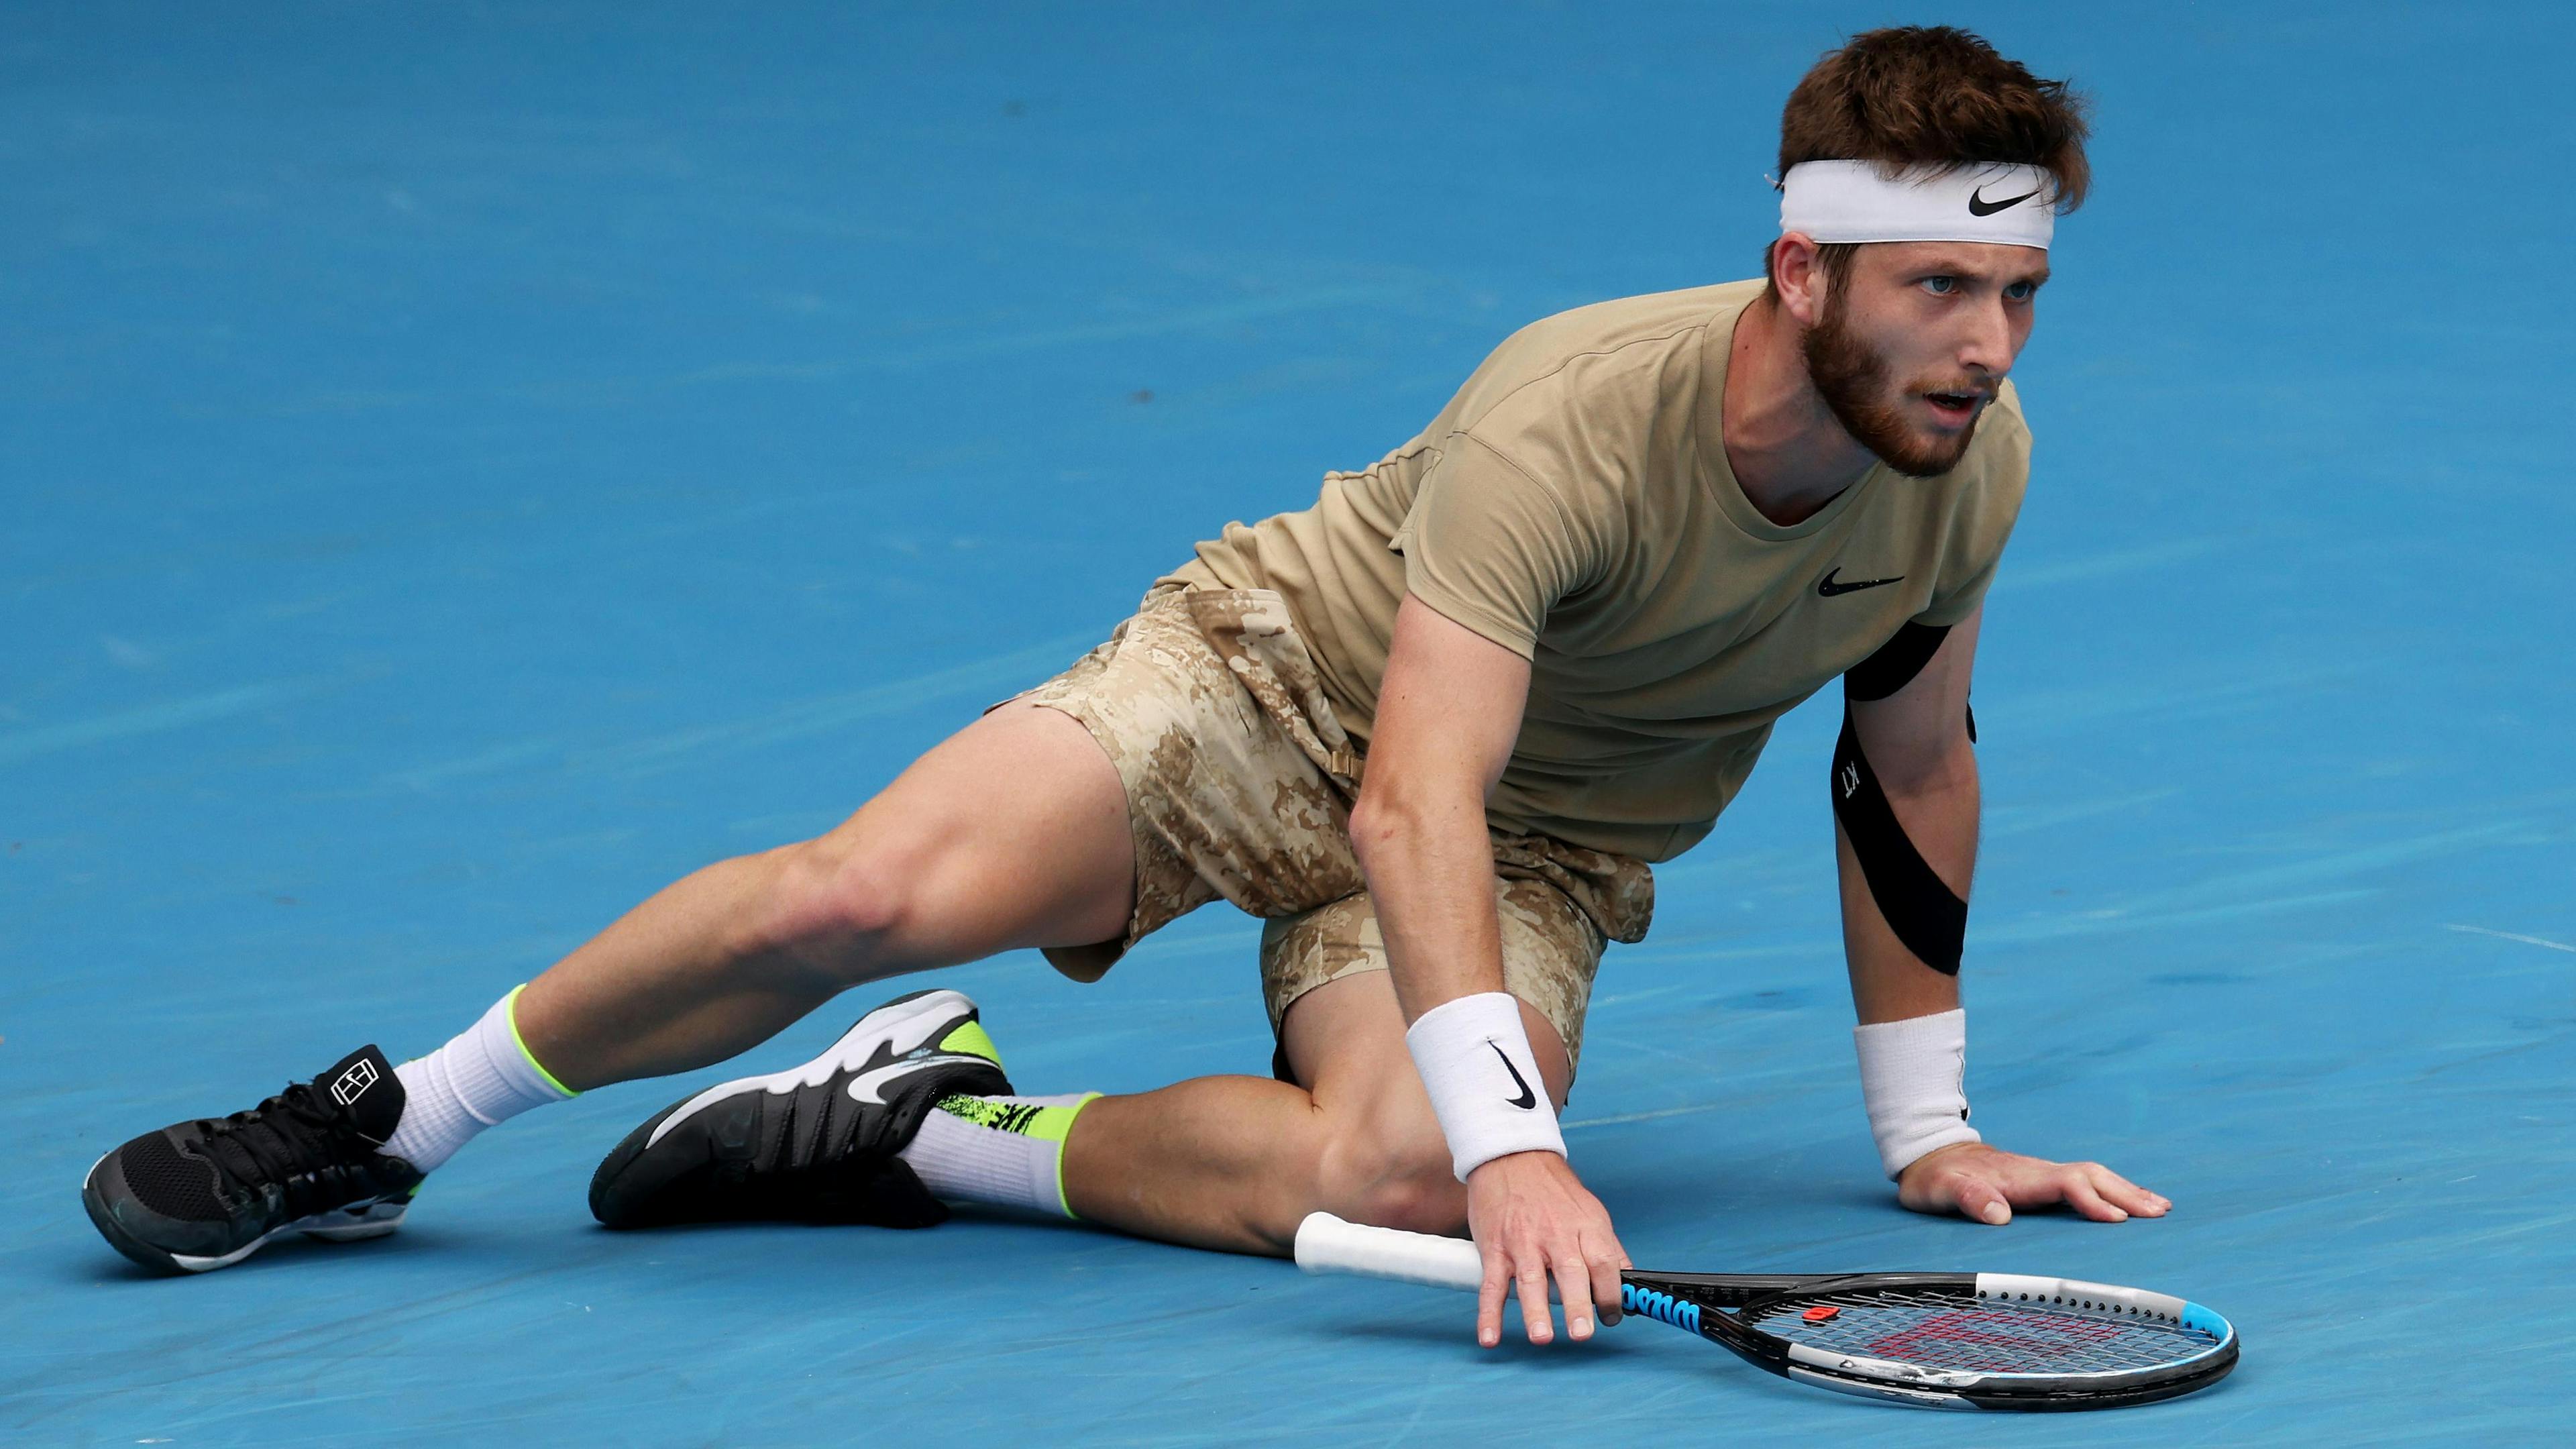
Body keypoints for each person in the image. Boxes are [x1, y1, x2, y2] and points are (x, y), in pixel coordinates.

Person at [82, 25, 2169, 1350]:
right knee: (851, 897)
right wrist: (1535, 1144)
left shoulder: (1966, 472)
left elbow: (1910, 760)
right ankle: (386, 1134)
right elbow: (1398, 801)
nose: (1988, 345)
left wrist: (1931, 1133)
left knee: (1394, 1180)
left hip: (1534, 828)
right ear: (1802, 271)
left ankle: (941, 1130)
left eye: (2021, 293)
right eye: (1940, 288)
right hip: (1275, 688)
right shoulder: (1575, 412)